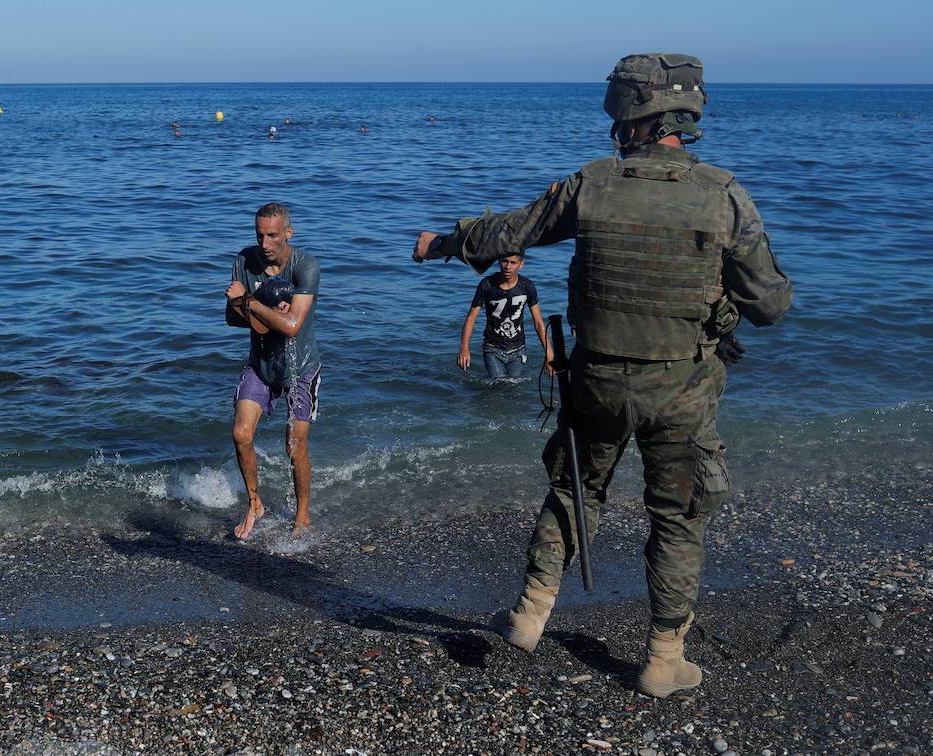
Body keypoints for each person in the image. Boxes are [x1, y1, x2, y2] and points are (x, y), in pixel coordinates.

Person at [411, 54, 792, 698]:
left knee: (574, 491)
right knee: (677, 517)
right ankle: (663, 658)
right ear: (684, 117)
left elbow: (511, 230)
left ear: (630, 119)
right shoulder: (725, 195)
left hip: (596, 381)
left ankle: (530, 613)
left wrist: (444, 242)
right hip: (682, 391)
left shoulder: (590, 184)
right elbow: (770, 306)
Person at [223, 203, 321, 539]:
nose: (264, 243)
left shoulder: (305, 266)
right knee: (240, 434)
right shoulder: (244, 261)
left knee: (294, 446)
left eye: (272, 236)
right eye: (259, 235)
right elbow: (232, 319)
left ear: (288, 234)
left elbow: (292, 326)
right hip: (261, 363)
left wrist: (250, 302)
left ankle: (302, 516)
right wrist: (257, 310)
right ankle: (254, 504)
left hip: (301, 366)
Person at [456, 253, 552, 379]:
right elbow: (471, 318)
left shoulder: (527, 286)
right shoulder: (486, 285)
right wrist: (464, 348)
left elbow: (539, 322)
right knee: (500, 385)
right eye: (504, 261)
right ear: (499, 262)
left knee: (513, 387)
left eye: (513, 263)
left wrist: (549, 354)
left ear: (521, 265)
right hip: (492, 348)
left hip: (518, 350)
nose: (508, 266)